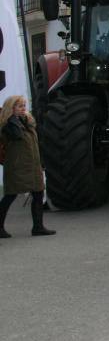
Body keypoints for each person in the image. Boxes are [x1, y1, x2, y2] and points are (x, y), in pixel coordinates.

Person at [0, 95, 55, 238]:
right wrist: (12, 119)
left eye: (24, 105)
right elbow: (16, 135)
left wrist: (24, 119)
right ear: (11, 108)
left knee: (38, 193)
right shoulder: (8, 125)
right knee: (10, 195)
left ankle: (38, 227)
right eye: (19, 106)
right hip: (17, 166)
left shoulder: (27, 122)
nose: (23, 108)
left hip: (32, 165)